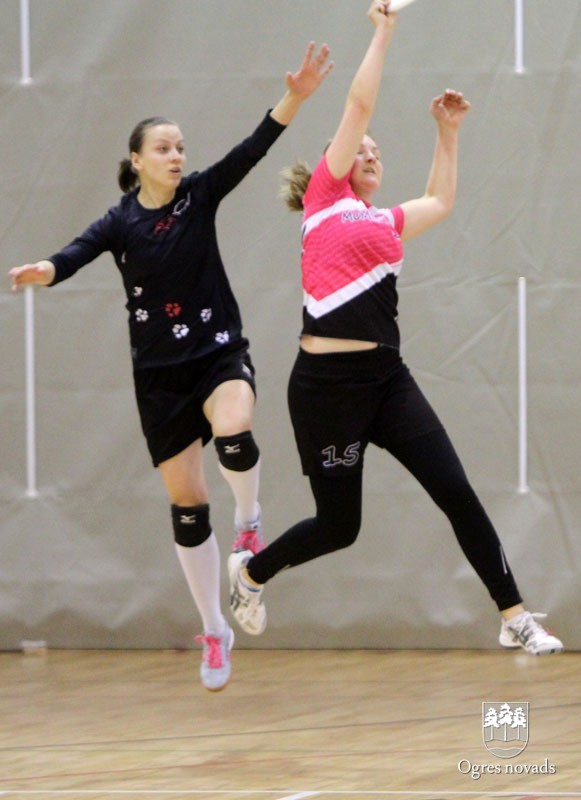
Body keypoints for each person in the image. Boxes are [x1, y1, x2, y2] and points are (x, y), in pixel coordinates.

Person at [227, 0, 564, 656]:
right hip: (325, 389)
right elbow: (358, 106)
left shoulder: (385, 224)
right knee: (339, 527)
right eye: (361, 149)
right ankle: (252, 574)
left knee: (456, 492)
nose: (370, 152)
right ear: (331, 165)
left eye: (378, 151)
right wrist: (384, 31)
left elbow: (440, 200)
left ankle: (514, 616)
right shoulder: (324, 201)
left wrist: (447, 130)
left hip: (386, 380)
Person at [9, 42, 333, 691]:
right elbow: (74, 254)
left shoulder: (199, 195)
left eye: (181, 146)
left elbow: (253, 147)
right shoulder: (120, 222)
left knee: (235, 431)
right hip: (159, 376)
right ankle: (214, 628)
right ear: (137, 161)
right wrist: (45, 269)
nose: (176, 155)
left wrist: (294, 95)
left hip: (217, 351)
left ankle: (249, 524)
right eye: (163, 148)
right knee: (187, 505)